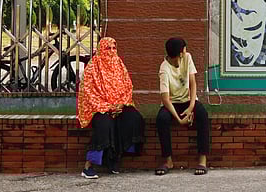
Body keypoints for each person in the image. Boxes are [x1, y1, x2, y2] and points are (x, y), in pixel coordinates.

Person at [76, 36, 144, 179]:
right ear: (101, 50)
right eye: (108, 48)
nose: (112, 51)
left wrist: (121, 104)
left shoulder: (119, 64)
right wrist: (108, 107)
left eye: (114, 48)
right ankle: (89, 165)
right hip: (99, 108)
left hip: (119, 105)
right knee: (104, 125)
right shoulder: (93, 68)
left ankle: (114, 158)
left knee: (133, 118)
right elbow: (89, 93)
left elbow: (127, 87)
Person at [155, 36, 210, 176]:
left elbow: (193, 83)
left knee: (202, 114)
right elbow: (165, 99)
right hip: (172, 103)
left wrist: (191, 107)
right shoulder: (164, 69)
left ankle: (202, 159)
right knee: (162, 119)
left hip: (188, 100)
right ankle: (168, 160)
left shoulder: (187, 58)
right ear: (180, 52)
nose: (186, 51)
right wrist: (179, 119)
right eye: (184, 49)